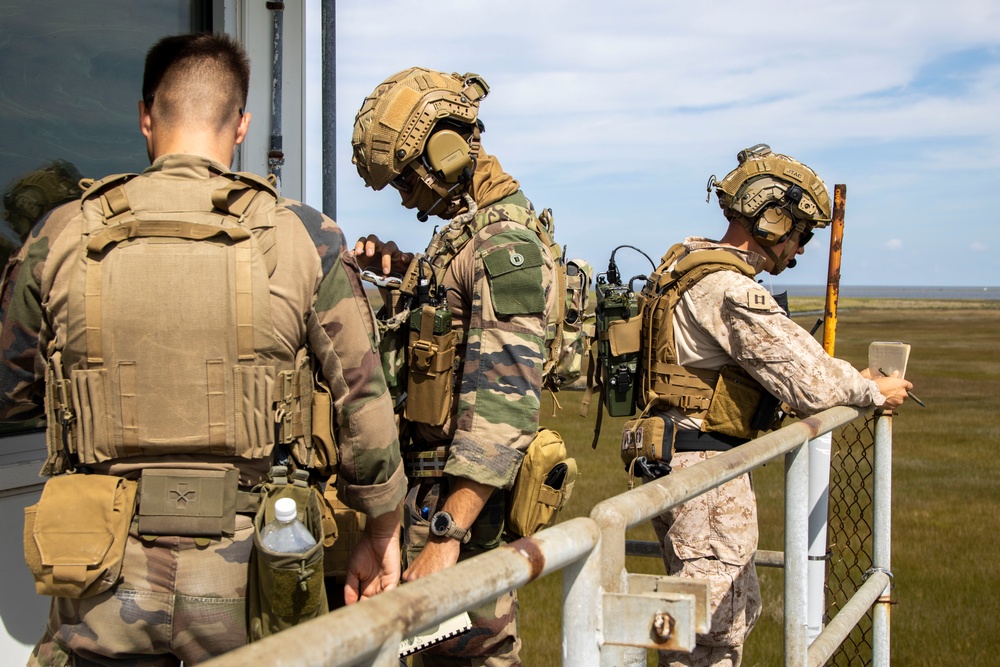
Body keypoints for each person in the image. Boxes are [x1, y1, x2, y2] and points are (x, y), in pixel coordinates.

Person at [0, 33, 405, 665]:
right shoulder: (306, 237)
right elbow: (364, 401)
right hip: (251, 571)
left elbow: (10, 393)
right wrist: (382, 526)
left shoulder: (60, 234)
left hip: (98, 568)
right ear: (241, 124)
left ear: (145, 116)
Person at [630, 144, 912, 667]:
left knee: (725, 610)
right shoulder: (728, 288)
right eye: (799, 234)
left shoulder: (684, 264)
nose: (800, 249)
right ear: (772, 218)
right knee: (712, 628)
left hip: (676, 457)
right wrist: (874, 390)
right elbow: (813, 383)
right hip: (705, 474)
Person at [350, 67, 559, 666]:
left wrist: (446, 538)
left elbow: (504, 406)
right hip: (436, 497)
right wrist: (405, 271)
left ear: (442, 154)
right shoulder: (468, 238)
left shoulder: (502, 248)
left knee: (472, 656)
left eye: (406, 182)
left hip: (462, 511)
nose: (406, 200)